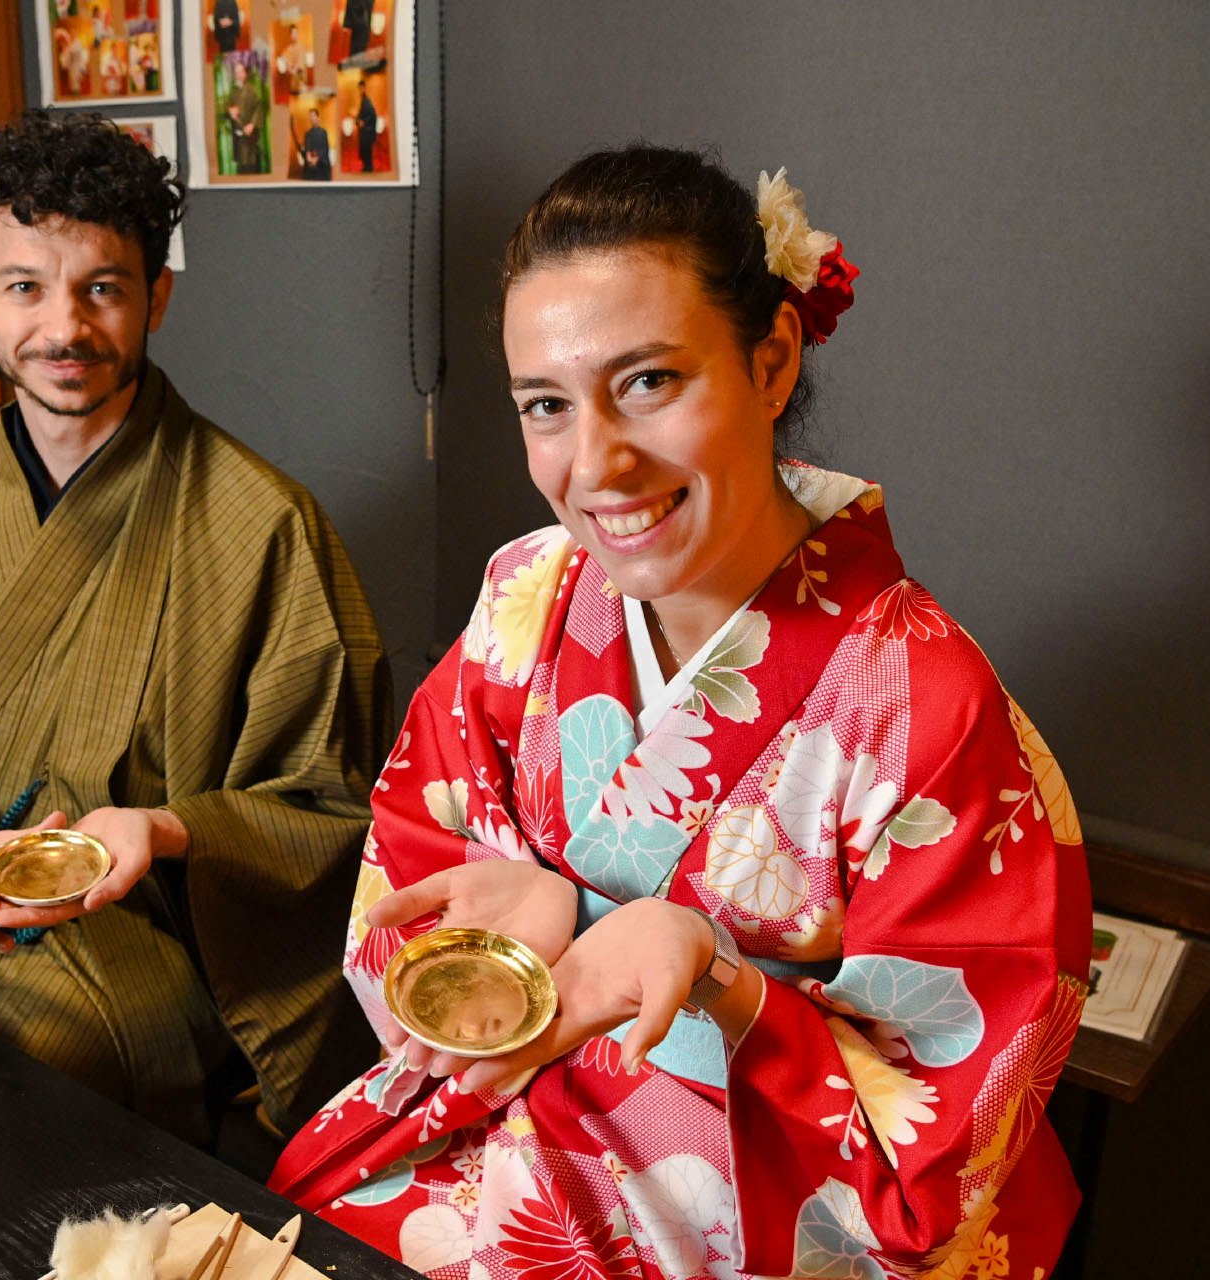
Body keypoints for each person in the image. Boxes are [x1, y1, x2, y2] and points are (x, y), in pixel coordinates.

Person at [271, 146, 1090, 1280]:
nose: (595, 462)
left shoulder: (921, 700)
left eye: (647, 381)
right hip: (501, 1140)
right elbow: (410, 879)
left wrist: (710, 976)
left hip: (760, 1223)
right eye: (544, 405)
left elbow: (938, 1161)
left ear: (769, 362)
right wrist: (545, 916)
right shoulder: (526, 591)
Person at [0, 109, 388, 1147]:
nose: (63, 328)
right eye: (23, 286)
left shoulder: (260, 521)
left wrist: (159, 831)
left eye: (100, 287)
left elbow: (331, 800)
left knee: (15, 1079)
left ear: (156, 294)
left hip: (140, 937)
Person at [299, 108, 332, 180]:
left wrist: (316, 159)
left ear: (318, 117)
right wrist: (308, 156)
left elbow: (325, 149)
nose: (311, 118)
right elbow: (307, 149)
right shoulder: (308, 134)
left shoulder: (323, 132)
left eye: (313, 116)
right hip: (311, 167)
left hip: (322, 166)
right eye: (310, 116)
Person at [354, 86, 379, 175]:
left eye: (361, 88)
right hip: (365, 132)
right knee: (365, 151)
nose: (360, 91)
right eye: (359, 89)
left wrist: (363, 123)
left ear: (364, 88)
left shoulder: (367, 102)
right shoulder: (363, 101)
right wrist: (358, 120)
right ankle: (367, 167)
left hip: (367, 132)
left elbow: (372, 116)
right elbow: (361, 115)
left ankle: (369, 168)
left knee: (367, 151)